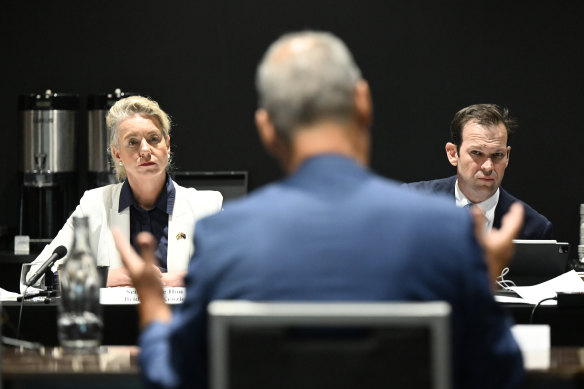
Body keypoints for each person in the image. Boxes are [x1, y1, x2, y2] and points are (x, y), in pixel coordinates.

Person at [114, 32, 525, 389]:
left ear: (267, 128)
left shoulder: (224, 237)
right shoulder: (446, 233)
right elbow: (497, 374)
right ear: (363, 103)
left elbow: (172, 378)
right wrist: (482, 283)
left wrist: (151, 301)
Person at [28, 95, 223, 287]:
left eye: (154, 139)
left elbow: (234, 273)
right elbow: (34, 277)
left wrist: (187, 279)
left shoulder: (205, 206)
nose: (145, 150)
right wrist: (105, 277)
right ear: (117, 154)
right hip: (115, 319)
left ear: (168, 145)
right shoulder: (94, 204)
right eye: (133, 142)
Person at [404, 104, 553, 239]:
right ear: (453, 153)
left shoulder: (534, 229)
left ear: (507, 156)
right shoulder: (410, 203)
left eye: (497, 155)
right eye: (476, 153)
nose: (488, 167)